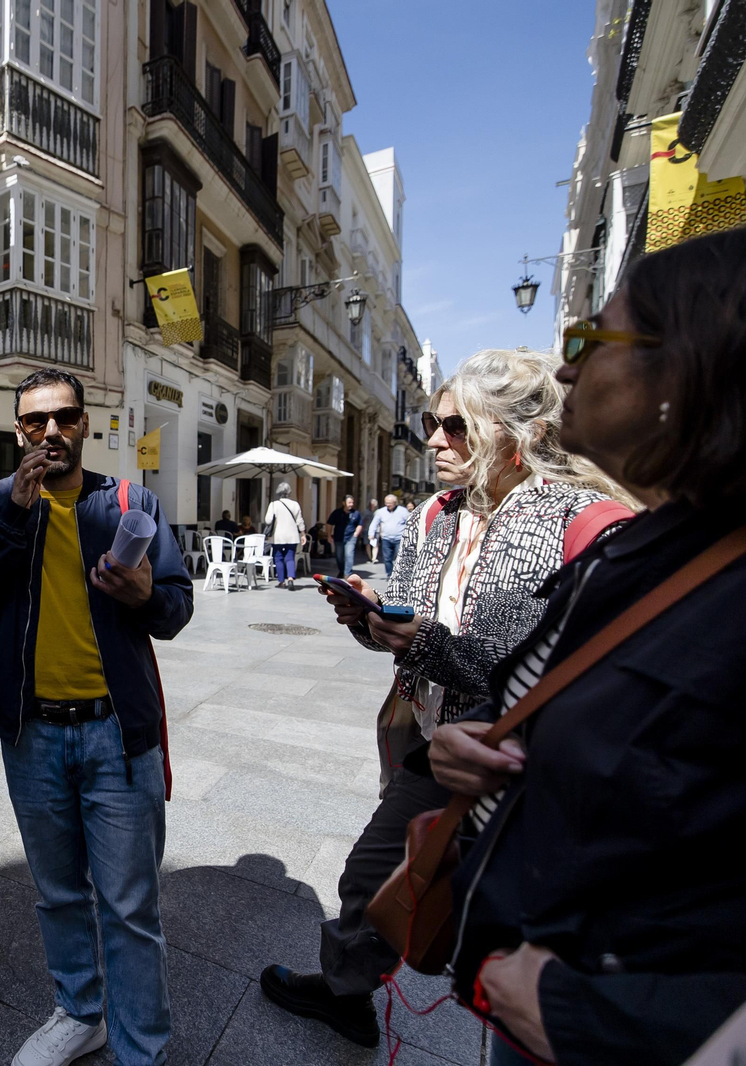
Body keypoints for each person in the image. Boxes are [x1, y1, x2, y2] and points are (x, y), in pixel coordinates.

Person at [430, 229, 746, 1066]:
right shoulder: (647, 549)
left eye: (590, 342)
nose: (565, 371)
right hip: (540, 970)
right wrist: (486, 737)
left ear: (689, 368)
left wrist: (597, 1020)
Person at [259, 348, 627, 1049]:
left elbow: (537, 677)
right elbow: (414, 630)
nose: (433, 438)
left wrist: (421, 639)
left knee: (510, 933)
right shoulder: (439, 514)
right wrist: (372, 621)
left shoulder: (579, 525)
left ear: (518, 436)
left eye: (456, 426)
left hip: (527, 776)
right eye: (433, 421)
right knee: (369, 877)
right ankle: (347, 993)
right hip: (431, 748)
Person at [0, 369, 194, 1066]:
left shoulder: (130, 502)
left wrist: (146, 593)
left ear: (85, 423)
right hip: (32, 736)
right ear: (18, 430)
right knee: (58, 895)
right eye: (35, 422)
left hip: (117, 735)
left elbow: (175, 610)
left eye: (64, 418)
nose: (51, 432)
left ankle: (141, 1048)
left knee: (129, 907)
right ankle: (80, 1013)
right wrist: (13, 515)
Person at [263, 482, 305, 589]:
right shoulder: (295, 504)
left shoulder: (273, 504)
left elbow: (267, 520)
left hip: (277, 536)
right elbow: (299, 521)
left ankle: (281, 581)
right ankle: (290, 578)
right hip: (292, 536)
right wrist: (303, 534)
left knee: (278, 558)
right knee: (290, 558)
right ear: (289, 492)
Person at [366, 494, 408, 578]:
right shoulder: (381, 512)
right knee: (387, 558)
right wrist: (371, 534)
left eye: (390, 503)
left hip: (399, 538)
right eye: (386, 503)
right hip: (386, 538)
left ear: (395, 503)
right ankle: (390, 575)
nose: (387, 505)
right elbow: (374, 523)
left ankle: (398, 575)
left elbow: (410, 523)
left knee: (398, 558)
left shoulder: (403, 511)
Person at [326, 496, 362, 577]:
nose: (351, 504)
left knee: (349, 555)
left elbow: (360, 524)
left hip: (351, 538)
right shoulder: (337, 513)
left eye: (352, 502)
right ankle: (341, 570)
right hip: (338, 537)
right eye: (349, 502)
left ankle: (347, 573)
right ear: (343, 503)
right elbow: (329, 524)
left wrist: (356, 533)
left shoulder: (356, 513)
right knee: (339, 556)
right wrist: (329, 535)